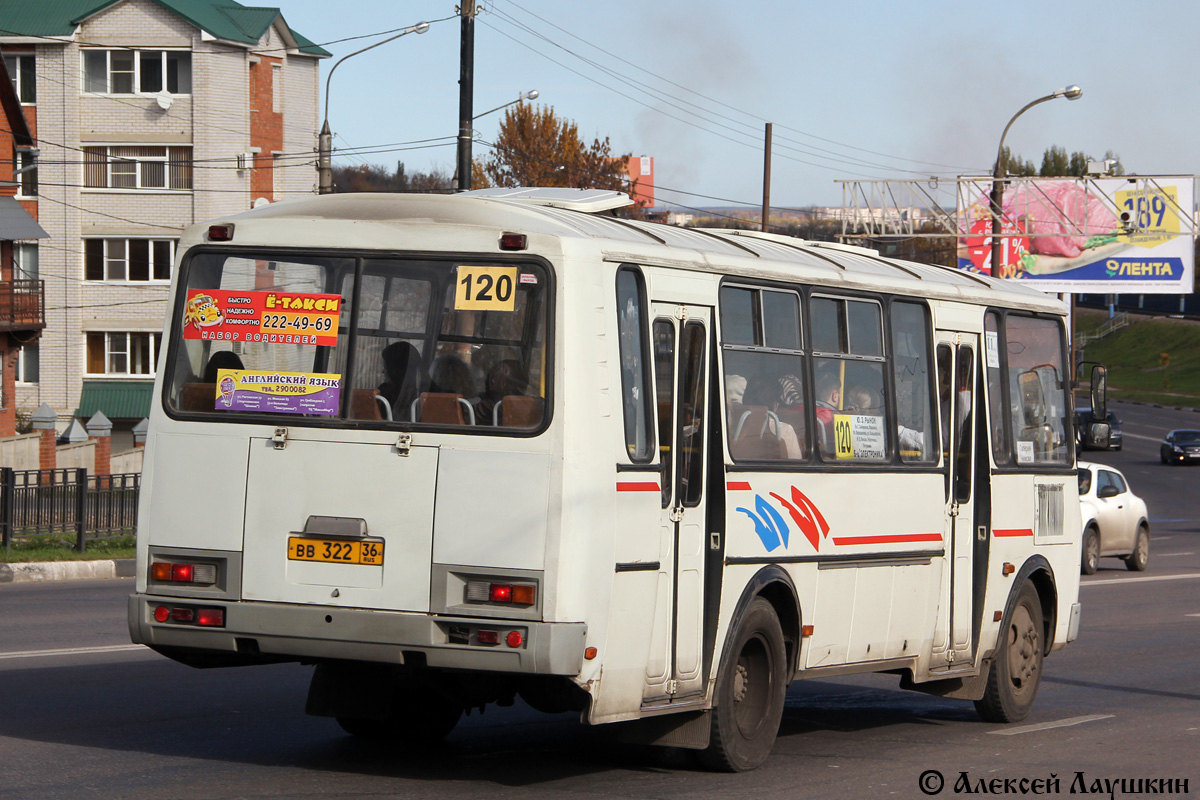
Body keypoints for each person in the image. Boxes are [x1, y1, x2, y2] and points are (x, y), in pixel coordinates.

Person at [377, 341, 426, 419]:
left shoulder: (423, 396)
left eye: (386, 367)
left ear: (394, 370)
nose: (383, 372)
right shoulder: (383, 391)